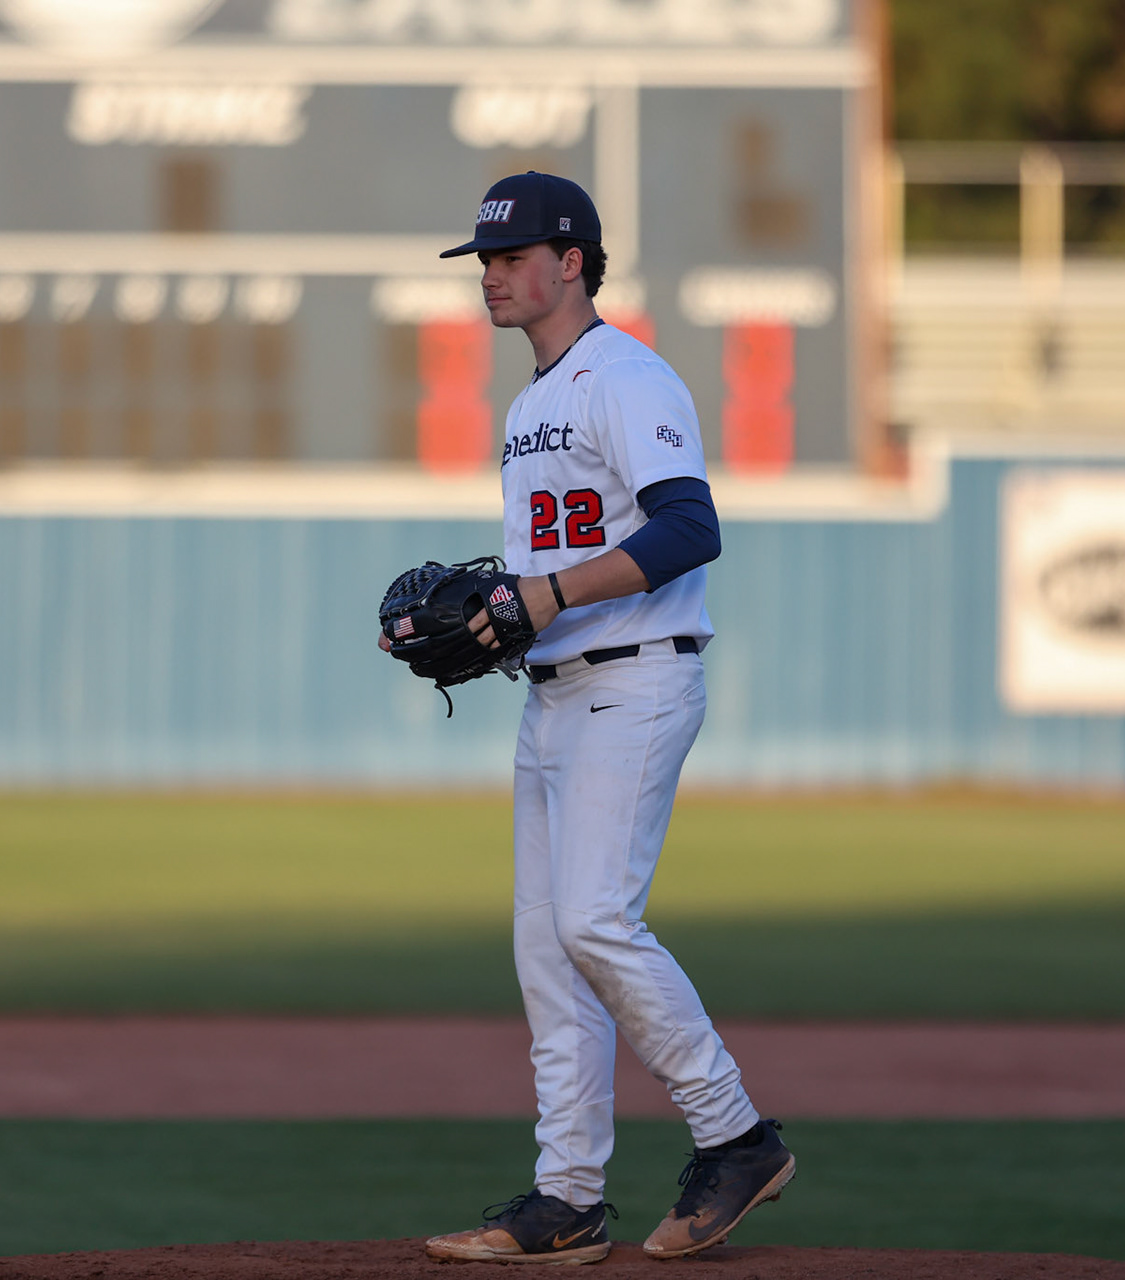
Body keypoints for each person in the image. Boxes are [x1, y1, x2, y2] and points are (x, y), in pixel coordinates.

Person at [418, 172, 794, 1263]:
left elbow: (691, 527)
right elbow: (547, 576)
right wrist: (499, 622)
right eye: (483, 259)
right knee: (549, 950)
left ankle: (737, 1135)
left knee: (593, 920)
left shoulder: (626, 376)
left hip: (636, 679)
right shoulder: (533, 401)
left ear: (571, 260)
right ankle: (567, 1195)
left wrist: (542, 595)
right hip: (556, 694)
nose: (490, 274)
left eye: (510, 255)